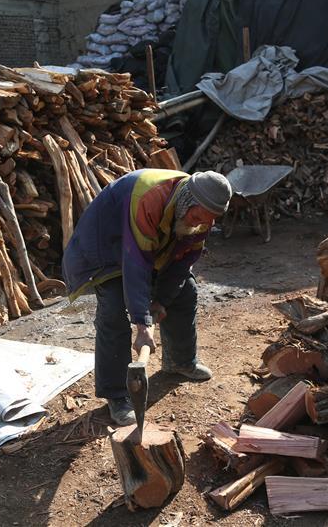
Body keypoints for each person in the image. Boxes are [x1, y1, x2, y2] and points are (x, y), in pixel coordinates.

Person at [62, 168, 233, 425]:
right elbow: (136, 264)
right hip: (105, 249)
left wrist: (161, 300)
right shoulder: (149, 197)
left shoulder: (203, 217)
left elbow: (184, 261)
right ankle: (117, 395)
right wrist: (142, 324)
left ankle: (180, 361)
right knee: (114, 310)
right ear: (185, 201)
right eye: (196, 217)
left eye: (206, 221)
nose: (198, 224)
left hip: (149, 247)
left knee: (185, 290)